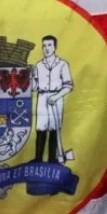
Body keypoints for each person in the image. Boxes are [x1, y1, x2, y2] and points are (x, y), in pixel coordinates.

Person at [32, 36, 73, 164]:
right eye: (44, 46)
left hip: (56, 98)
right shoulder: (38, 65)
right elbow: (34, 88)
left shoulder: (62, 65)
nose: (46, 48)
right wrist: (31, 77)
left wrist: (56, 97)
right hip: (42, 97)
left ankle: (52, 159)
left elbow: (68, 86)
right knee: (41, 129)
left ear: (55, 47)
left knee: (54, 129)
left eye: (49, 45)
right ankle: (38, 159)